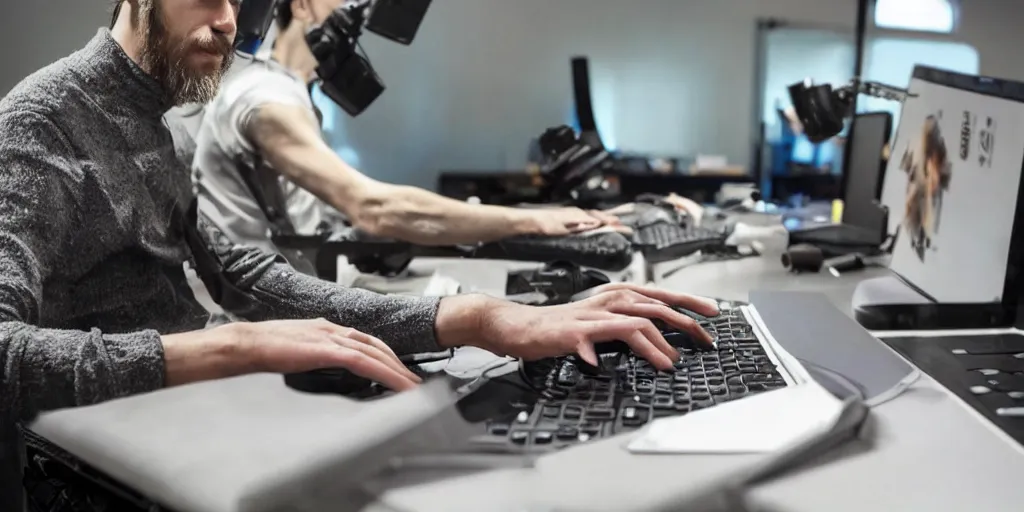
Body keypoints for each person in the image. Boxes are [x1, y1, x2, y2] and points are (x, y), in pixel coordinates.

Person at [0, 0, 716, 507]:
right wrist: (233, 347)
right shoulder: (41, 127)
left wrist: (472, 319)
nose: (227, 19)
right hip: (101, 455)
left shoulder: (168, 123)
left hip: (195, 413)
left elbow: (249, 279)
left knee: (475, 440)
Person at [180, 0, 621, 259]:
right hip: (266, 333)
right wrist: (532, 222)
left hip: (293, 304)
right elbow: (373, 207)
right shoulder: (266, 97)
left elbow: (317, 222)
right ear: (301, 5)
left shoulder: (290, 95)